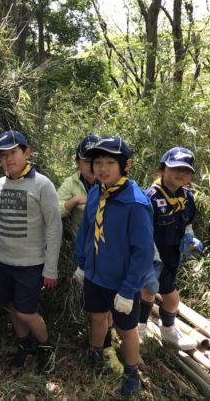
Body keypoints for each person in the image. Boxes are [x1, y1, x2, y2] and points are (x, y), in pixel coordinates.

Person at [73, 135, 154, 397]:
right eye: (97, 162)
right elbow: (86, 230)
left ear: (125, 165)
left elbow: (142, 252)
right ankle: (96, 353)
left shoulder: (135, 203)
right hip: (95, 276)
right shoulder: (96, 192)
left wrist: (129, 289)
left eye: (110, 162)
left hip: (122, 283)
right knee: (97, 317)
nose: (102, 168)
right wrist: (82, 263)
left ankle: (132, 372)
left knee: (126, 329)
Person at [0, 130, 62, 373]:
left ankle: (45, 346)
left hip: (30, 263)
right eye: (3, 155)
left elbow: (54, 226)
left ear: (27, 152)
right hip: (1, 260)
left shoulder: (42, 185)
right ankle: (24, 345)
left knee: (27, 311)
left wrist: (50, 267)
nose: (8, 159)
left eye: (13, 153)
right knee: (11, 306)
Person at [57, 134, 122, 373]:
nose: (94, 168)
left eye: (98, 161)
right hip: (85, 254)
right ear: (78, 162)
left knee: (107, 306)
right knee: (97, 307)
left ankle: (107, 343)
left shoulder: (116, 184)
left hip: (111, 255)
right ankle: (102, 345)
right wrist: (75, 200)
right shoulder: (73, 183)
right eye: (88, 162)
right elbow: (56, 210)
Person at [137, 147, 203, 350]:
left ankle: (139, 327)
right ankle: (168, 330)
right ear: (163, 169)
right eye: (175, 168)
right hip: (152, 255)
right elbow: (142, 229)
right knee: (172, 300)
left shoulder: (187, 197)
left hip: (173, 254)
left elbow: (188, 222)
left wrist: (190, 237)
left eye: (185, 170)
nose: (180, 173)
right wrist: (151, 258)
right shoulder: (150, 197)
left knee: (148, 292)